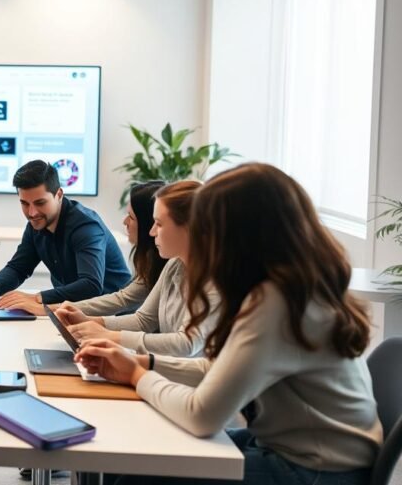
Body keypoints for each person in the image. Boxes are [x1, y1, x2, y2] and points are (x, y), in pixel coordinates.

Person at [75, 163, 381, 485]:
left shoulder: (278, 301)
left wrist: (136, 374)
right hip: (292, 451)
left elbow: (201, 415)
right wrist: (141, 361)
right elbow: (220, 370)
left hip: (315, 470)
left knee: (137, 477)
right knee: (128, 456)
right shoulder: (288, 286)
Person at [56, 181, 219, 357]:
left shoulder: (215, 280)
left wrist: (111, 336)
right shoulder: (174, 264)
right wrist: (90, 321)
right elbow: (143, 320)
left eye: (159, 223)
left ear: (189, 227)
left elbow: (186, 344)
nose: (152, 232)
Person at [0, 160, 131, 313]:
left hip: (114, 315)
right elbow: (18, 268)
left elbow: (91, 285)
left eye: (40, 203)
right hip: (72, 311)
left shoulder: (86, 227)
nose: (32, 213)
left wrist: (36, 298)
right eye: (25, 204)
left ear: (59, 194)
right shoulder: (36, 224)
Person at [64, 181, 168, 317]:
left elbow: (128, 307)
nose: (125, 222)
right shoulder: (150, 261)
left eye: (131, 217)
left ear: (147, 223)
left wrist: (58, 307)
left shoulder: (170, 264)